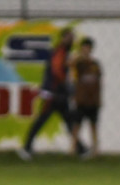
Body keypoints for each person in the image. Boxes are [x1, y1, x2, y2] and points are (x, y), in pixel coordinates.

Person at [17, 27, 84, 160]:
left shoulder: (65, 52)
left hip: (58, 92)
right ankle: (26, 147)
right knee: (43, 120)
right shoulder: (60, 52)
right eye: (69, 37)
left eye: (72, 38)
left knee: (68, 120)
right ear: (63, 38)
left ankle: (80, 148)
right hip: (53, 92)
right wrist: (66, 85)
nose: (71, 40)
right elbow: (57, 70)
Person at [71, 37, 102, 157]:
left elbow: (98, 82)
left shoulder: (95, 64)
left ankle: (95, 148)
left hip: (92, 100)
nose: (86, 50)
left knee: (93, 125)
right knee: (77, 124)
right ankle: (73, 147)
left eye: (88, 48)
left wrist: (98, 99)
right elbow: (70, 64)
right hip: (81, 99)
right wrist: (80, 56)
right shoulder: (79, 63)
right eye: (84, 48)